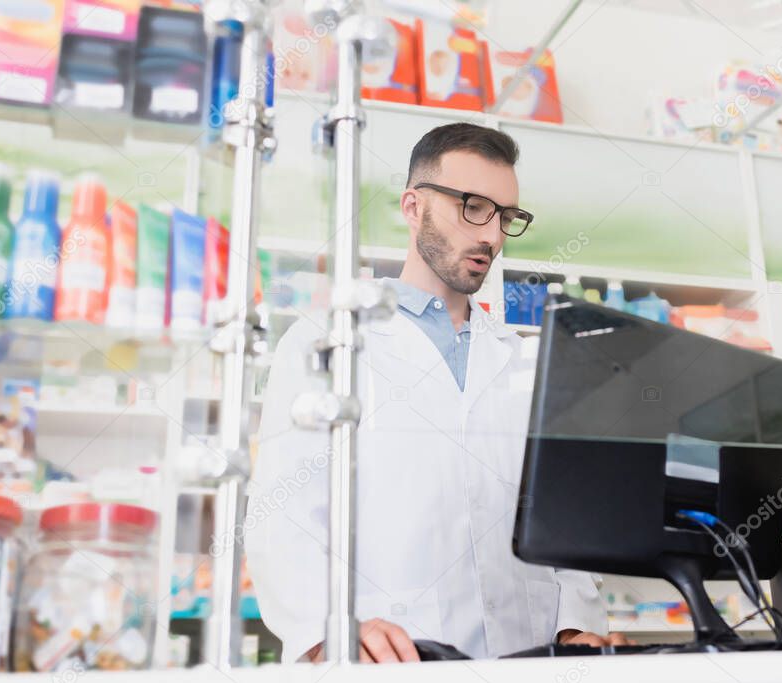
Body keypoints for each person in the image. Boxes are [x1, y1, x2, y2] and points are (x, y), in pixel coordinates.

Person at [246, 123, 625, 663]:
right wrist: (326, 625)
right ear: (412, 205)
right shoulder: (328, 340)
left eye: (506, 216)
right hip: (395, 662)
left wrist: (574, 625)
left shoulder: (523, 357)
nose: (492, 235)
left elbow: (561, 519)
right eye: (473, 206)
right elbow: (281, 514)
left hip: (531, 660)